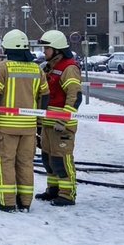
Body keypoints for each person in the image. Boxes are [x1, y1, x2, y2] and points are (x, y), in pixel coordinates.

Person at [0, 29, 48, 212]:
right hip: (28, 128)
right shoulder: (37, 69)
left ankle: (8, 202)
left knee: (6, 163)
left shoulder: (1, 68)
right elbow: (45, 97)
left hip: (6, 127)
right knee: (26, 164)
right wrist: (40, 123)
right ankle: (25, 202)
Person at [37, 30, 81, 206]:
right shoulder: (49, 66)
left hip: (61, 125)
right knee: (48, 159)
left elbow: (74, 96)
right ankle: (53, 190)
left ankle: (67, 194)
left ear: (57, 49)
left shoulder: (69, 68)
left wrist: (64, 119)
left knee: (61, 159)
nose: (44, 51)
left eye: (47, 48)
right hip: (48, 124)